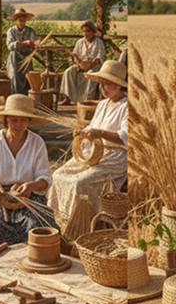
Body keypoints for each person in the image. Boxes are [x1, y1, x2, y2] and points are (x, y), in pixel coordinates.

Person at [48, 60, 128, 226]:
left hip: (114, 158)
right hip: (92, 152)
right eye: (102, 84)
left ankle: (79, 223)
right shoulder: (103, 104)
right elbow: (93, 127)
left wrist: (99, 133)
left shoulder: (126, 106)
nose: (104, 88)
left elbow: (124, 138)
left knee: (79, 182)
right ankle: (58, 220)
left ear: (120, 86)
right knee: (58, 175)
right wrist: (83, 132)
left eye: (109, 84)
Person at [0, 94, 58, 247]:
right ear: (6, 120)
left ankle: (31, 266)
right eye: (14, 120)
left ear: (29, 121)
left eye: (23, 120)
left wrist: (31, 186)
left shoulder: (37, 143)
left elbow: (45, 178)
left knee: (36, 226)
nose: (18, 124)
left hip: (28, 195)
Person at [59, 21, 106, 104]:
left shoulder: (98, 42)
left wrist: (92, 62)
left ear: (93, 32)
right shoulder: (80, 42)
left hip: (94, 66)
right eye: (84, 31)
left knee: (91, 75)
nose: (85, 33)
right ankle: (68, 98)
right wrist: (77, 61)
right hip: (81, 64)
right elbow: (75, 55)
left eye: (88, 31)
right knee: (68, 72)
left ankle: (87, 100)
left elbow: (100, 57)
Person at [6, 8, 38, 95]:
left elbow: (36, 42)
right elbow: (10, 46)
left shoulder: (30, 31)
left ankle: (26, 97)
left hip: (27, 57)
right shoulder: (11, 31)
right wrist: (23, 43)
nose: (22, 22)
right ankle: (16, 95)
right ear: (16, 20)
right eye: (20, 20)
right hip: (15, 59)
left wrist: (35, 44)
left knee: (28, 76)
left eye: (23, 20)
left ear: (25, 21)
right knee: (15, 74)